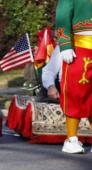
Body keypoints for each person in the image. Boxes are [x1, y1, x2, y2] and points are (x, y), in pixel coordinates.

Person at [56, 0, 92, 154]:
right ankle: (71, 139)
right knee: (75, 93)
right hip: (80, 49)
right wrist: (65, 45)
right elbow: (62, 17)